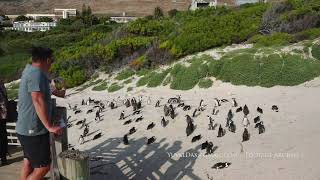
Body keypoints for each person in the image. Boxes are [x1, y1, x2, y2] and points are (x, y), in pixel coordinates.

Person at [16, 47, 66, 180]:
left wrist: (59, 91)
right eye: (52, 60)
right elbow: (37, 99)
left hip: (25, 129)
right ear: (47, 60)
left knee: (28, 163)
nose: (52, 64)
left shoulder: (31, 71)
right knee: (43, 167)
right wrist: (49, 126)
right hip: (33, 130)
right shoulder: (35, 74)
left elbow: (45, 92)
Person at [0, 80, 8, 166]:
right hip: (3, 115)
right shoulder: (1, 83)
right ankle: (3, 158)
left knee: (2, 137)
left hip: (2, 115)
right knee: (3, 136)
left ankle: (3, 158)